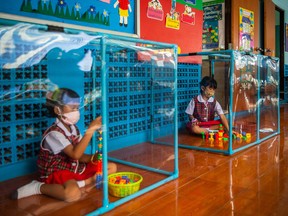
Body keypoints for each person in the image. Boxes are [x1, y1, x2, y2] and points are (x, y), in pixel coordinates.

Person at [12, 88, 117, 202]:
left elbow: (80, 156)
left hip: (73, 167)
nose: (76, 111)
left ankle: (83, 181)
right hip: (57, 171)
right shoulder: (54, 133)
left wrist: (92, 158)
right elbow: (75, 155)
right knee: (72, 195)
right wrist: (90, 130)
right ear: (58, 110)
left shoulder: (74, 129)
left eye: (77, 108)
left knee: (111, 167)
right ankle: (39, 187)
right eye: (72, 108)